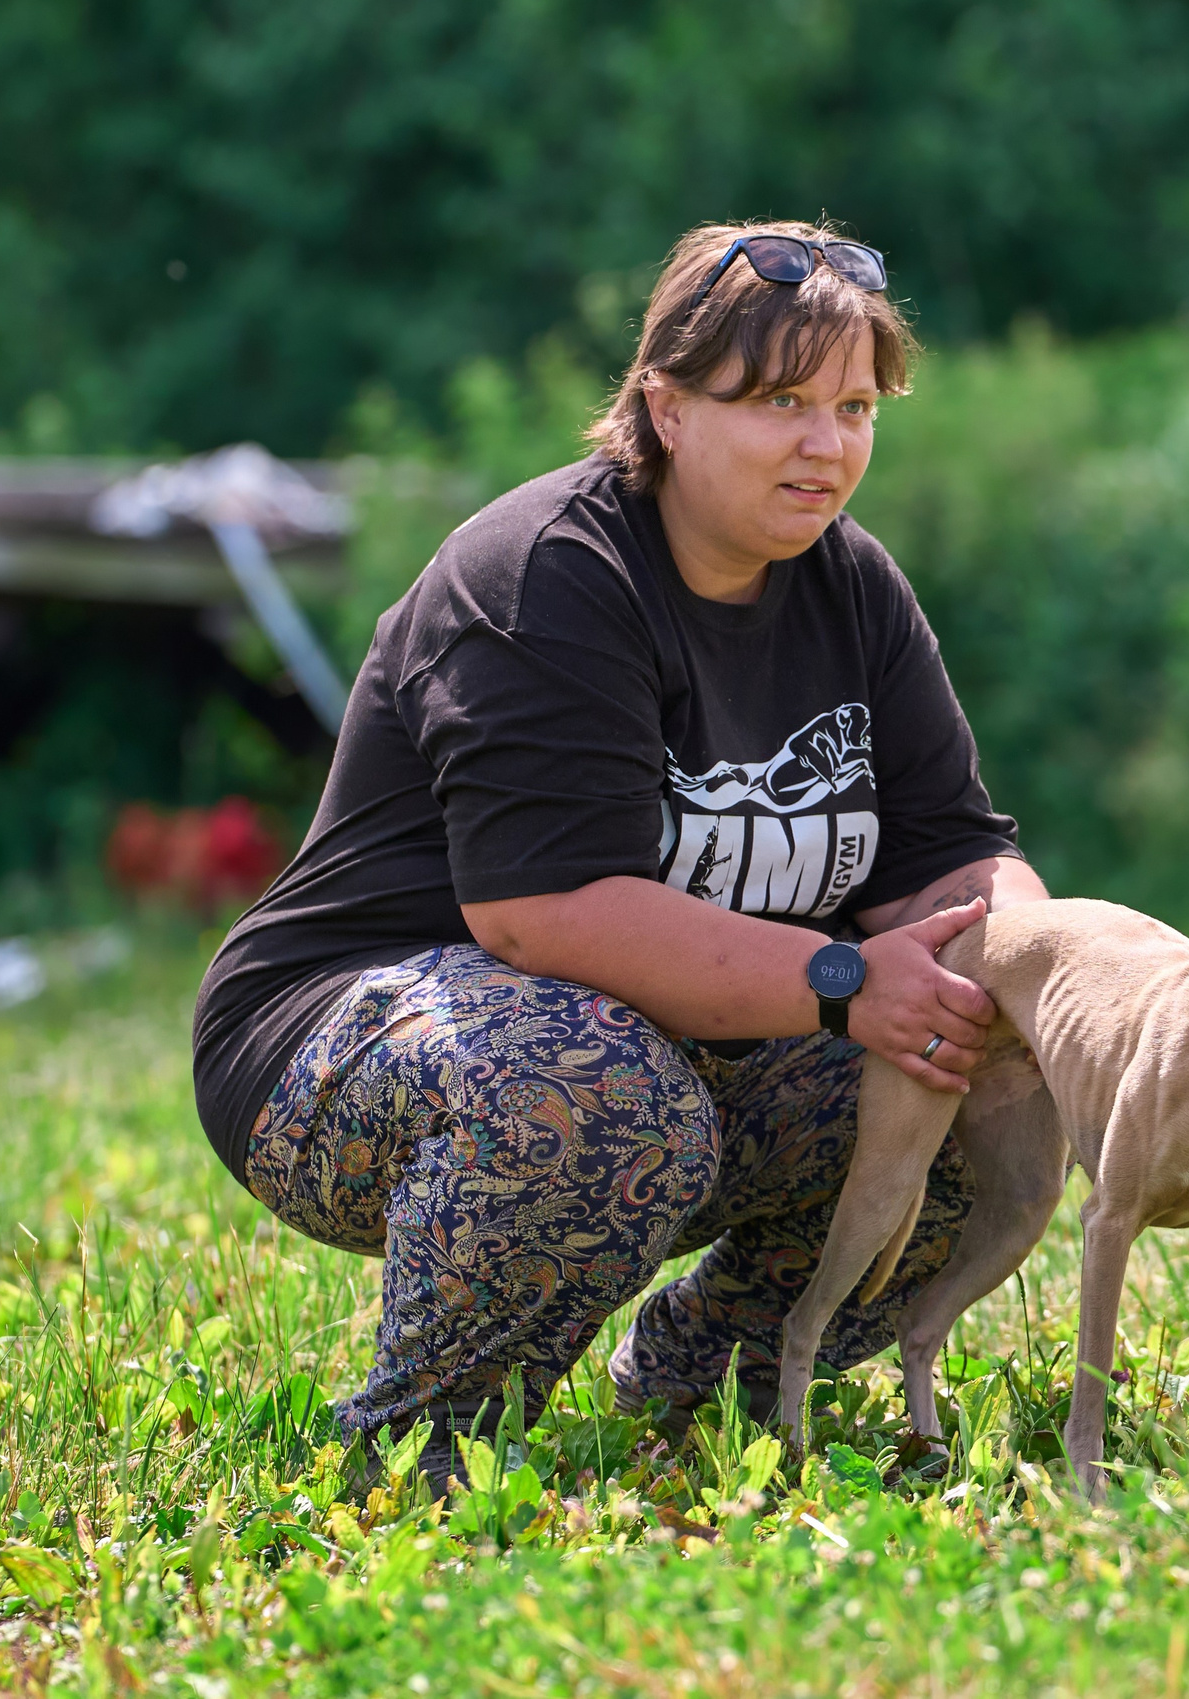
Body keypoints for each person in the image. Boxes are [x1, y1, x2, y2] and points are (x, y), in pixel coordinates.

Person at [191, 219, 1047, 1485]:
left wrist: (1050, 973)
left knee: (985, 1077)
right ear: (667, 407)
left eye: (857, 406)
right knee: (594, 1093)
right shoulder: (548, 574)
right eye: (781, 402)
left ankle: (713, 1396)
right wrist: (850, 983)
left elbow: (955, 853)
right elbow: (543, 916)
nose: (828, 444)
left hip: (676, 1048)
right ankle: (429, 1452)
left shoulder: (852, 586)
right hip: (347, 1039)